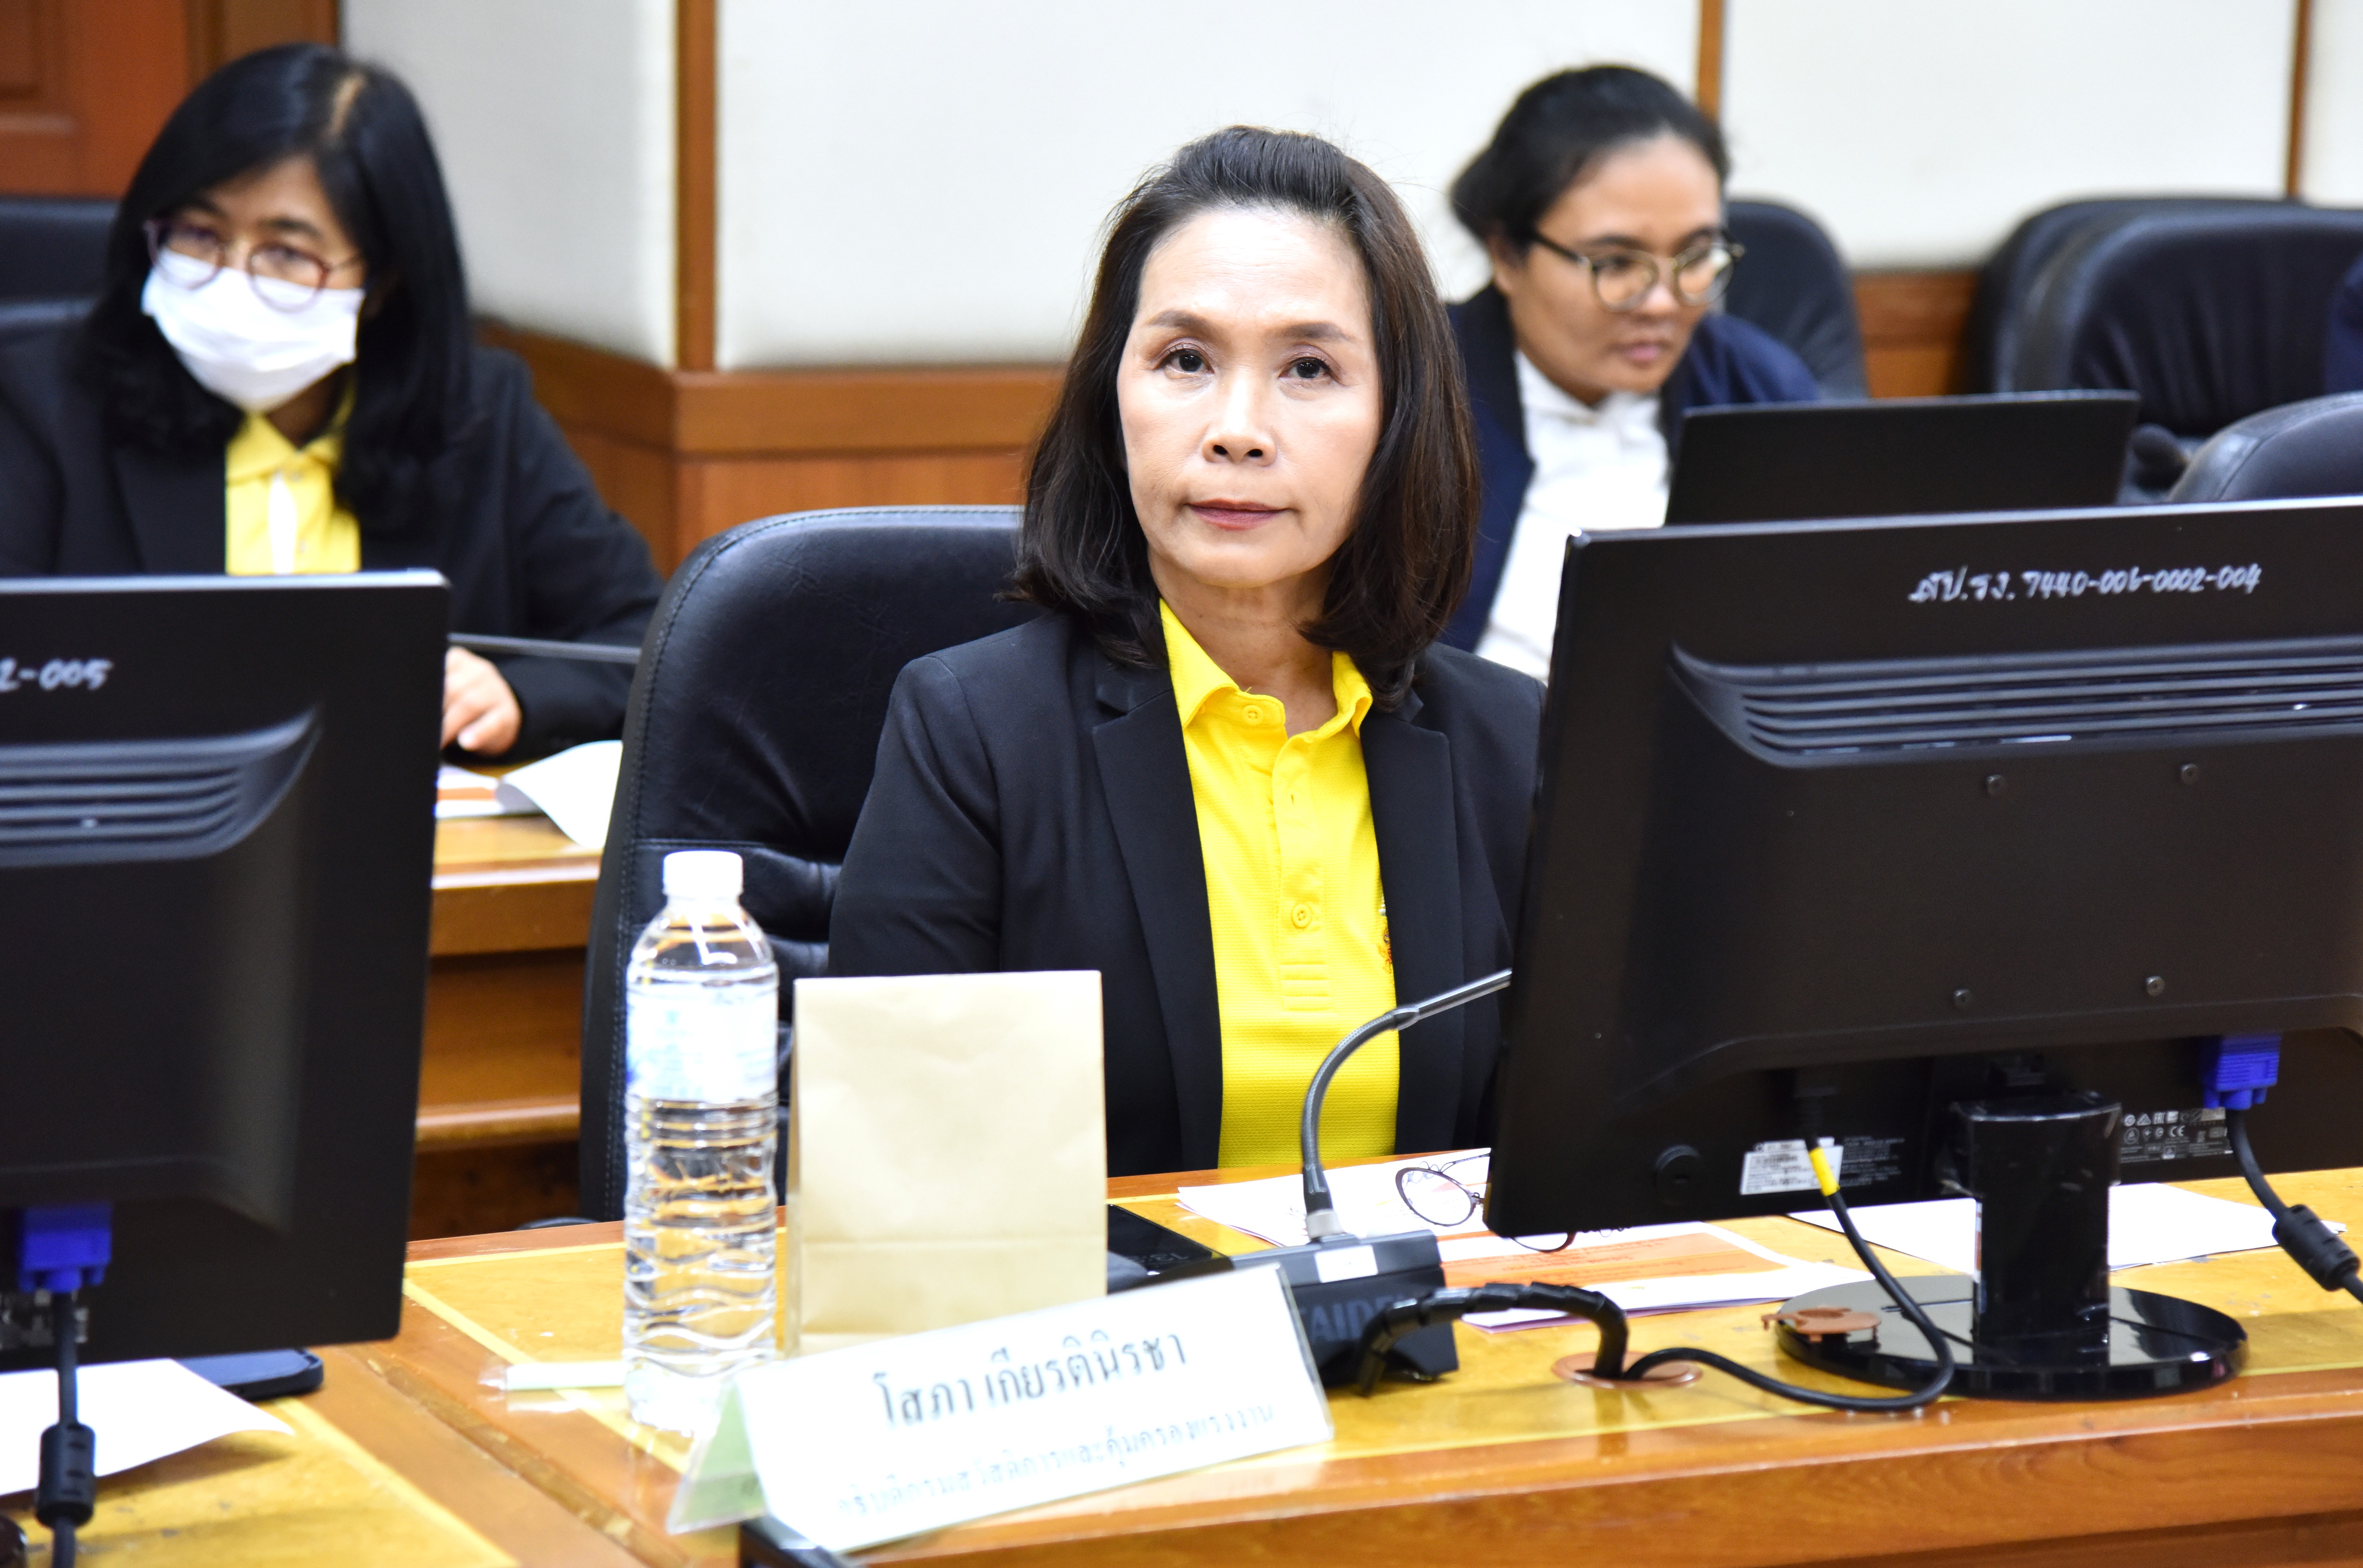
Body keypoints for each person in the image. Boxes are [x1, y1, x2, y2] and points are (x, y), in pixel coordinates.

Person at [827, 127, 1540, 1177]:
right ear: (1110, 398)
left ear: (1397, 419)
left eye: (1309, 368)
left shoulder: (1514, 742)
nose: (1237, 429)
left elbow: (1574, 1159)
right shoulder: (973, 732)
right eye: (1186, 361)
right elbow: (900, 1167)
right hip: (1105, 1290)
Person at [0, 44, 660, 758]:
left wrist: (519, 695)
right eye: (199, 235)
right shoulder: (45, 407)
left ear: (381, 282)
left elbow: (643, 637)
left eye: (286, 253)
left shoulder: (479, 417)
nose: (230, 279)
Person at [1443, 66, 1818, 678]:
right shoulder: (1413, 391)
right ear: (1507, 255)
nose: (1663, 304)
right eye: (1616, 263)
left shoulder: (1759, 388)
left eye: (1695, 256)